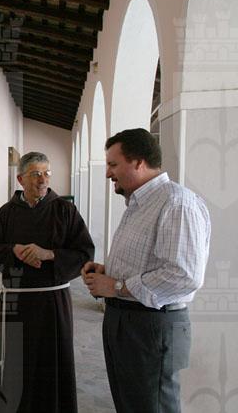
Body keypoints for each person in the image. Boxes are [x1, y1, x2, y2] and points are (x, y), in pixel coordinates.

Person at [82, 128, 211, 413]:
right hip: (127, 321)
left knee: (152, 406)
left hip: (151, 325)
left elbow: (184, 275)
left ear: (138, 162)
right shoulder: (140, 203)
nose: (108, 173)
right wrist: (107, 271)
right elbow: (148, 261)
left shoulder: (177, 203)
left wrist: (115, 286)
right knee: (131, 403)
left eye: (113, 164)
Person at [0, 151, 94, 413]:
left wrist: (50, 254)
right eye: (36, 174)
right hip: (17, 302)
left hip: (53, 303)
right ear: (21, 179)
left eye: (47, 173)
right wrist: (14, 251)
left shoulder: (65, 210)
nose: (43, 180)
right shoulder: (7, 212)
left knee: (53, 363)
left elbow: (85, 253)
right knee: (17, 364)